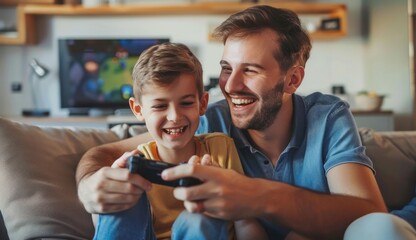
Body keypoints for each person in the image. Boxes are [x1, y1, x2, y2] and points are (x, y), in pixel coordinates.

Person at [76, 5, 388, 239]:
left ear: (292, 79)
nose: (230, 86)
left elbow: (370, 215)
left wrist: (254, 196)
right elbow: (105, 154)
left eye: (250, 70)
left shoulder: (327, 117)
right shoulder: (208, 117)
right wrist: (88, 187)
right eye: (227, 68)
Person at [91, 42, 266, 239]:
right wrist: (109, 195)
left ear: (203, 104)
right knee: (121, 203)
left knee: (198, 216)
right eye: (159, 106)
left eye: (186, 103)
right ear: (138, 110)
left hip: (204, 230)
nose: (174, 116)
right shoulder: (138, 161)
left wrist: (234, 200)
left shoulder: (221, 149)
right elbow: (108, 227)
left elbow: (247, 224)